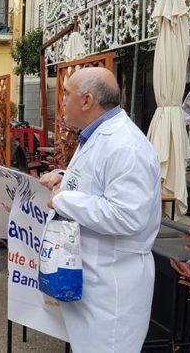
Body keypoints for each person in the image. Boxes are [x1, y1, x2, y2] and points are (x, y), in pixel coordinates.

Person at [39, 67, 161, 353]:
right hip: (94, 275)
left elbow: (127, 215)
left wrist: (63, 199)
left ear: (87, 101)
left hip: (113, 283)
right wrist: (63, 176)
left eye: (67, 94)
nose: (62, 101)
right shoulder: (97, 135)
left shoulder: (126, 145)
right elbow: (99, 182)